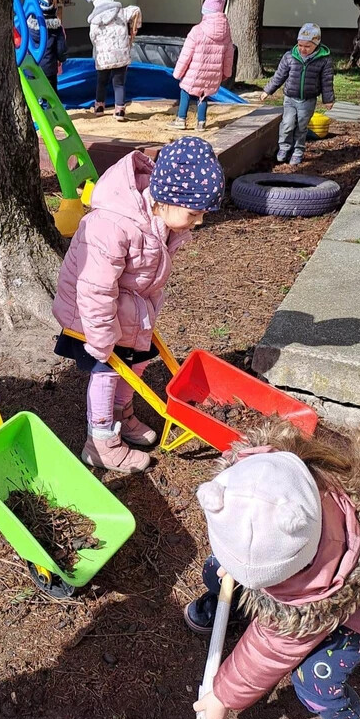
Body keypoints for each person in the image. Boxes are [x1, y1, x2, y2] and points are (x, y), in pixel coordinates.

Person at [189, 421, 360, 719]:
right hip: (304, 557)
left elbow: (274, 647)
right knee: (218, 567)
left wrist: (222, 696)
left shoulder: (318, 580)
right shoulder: (265, 476)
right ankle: (239, 600)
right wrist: (235, 562)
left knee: (315, 682)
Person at [53, 137, 224, 473]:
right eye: (194, 213)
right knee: (106, 372)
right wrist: (100, 338)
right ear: (165, 199)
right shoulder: (112, 224)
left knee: (137, 365)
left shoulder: (159, 221)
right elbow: (95, 287)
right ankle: (100, 443)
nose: (199, 221)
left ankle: (122, 416)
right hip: (93, 318)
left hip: (130, 312)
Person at [261, 23, 335, 166]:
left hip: (308, 100)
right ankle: (284, 148)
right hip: (290, 98)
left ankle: (298, 151)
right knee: (287, 124)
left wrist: (328, 99)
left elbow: (326, 81)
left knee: (301, 127)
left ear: (316, 44)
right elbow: (279, 75)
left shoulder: (324, 60)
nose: (303, 49)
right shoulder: (290, 57)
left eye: (307, 46)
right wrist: (267, 90)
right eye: (300, 45)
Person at [172, 0, 234, 132]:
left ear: (205, 11)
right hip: (213, 73)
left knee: (185, 91)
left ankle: (181, 118)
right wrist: (226, 72)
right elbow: (229, 54)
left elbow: (186, 54)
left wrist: (178, 73)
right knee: (203, 95)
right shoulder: (226, 32)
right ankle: (201, 122)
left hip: (195, 71)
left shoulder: (197, 30)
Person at [84, 0, 141, 122]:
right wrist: (135, 27)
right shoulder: (121, 12)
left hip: (103, 57)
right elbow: (136, 10)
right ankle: (119, 110)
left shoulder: (95, 20)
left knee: (101, 82)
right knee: (119, 83)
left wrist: (98, 47)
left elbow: (93, 36)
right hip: (120, 55)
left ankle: (99, 108)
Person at [27, 0, 68, 91]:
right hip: (48, 69)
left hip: (31, 68)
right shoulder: (56, 29)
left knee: (34, 95)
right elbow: (61, 49)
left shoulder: (28, 27)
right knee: (51, 97)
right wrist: (62, 58)